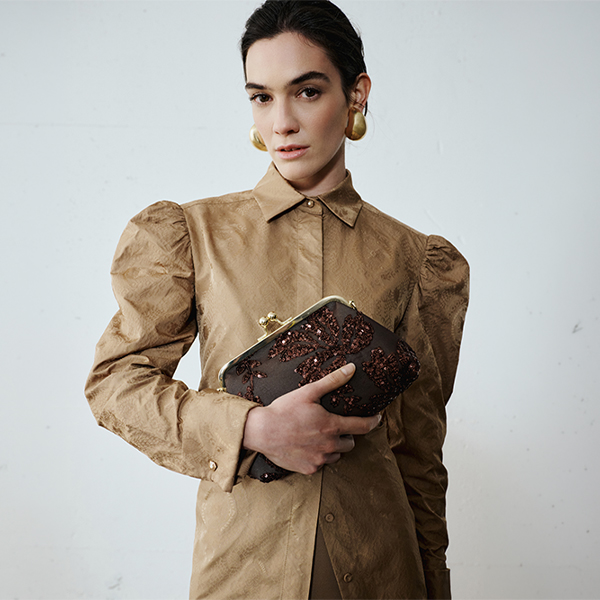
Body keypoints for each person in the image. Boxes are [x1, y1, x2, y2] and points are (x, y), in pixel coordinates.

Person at [85, 1, 469, 598]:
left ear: (356, 95)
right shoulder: (192, 235)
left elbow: (420, 450)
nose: (282, 122)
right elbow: (116, 382)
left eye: (307, 92)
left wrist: (435, 582)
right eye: (261, 97)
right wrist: (251, 428)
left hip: (384, 571)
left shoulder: (415, 260)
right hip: (244, 570)